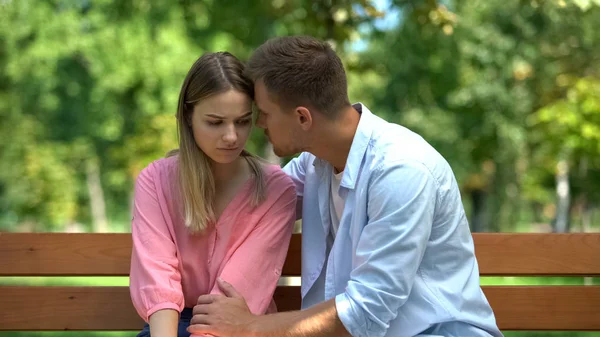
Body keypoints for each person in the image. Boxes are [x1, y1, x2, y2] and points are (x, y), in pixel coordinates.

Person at [187, 36, 504, 337]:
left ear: (302, 118)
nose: (259, 124)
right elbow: (246, 195)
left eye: (265, 113)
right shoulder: (314, 164)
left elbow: (366, 311)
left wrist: (251, 327)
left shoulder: (401, 170)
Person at [129, 51, 297, 337]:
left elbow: (236, 292)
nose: (231, 136)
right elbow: (159, 280)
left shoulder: (276, 191)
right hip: (170, 326)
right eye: (216, 122)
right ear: (188, 117)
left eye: (243, 121)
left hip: (239, 325)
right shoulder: (155, 181)